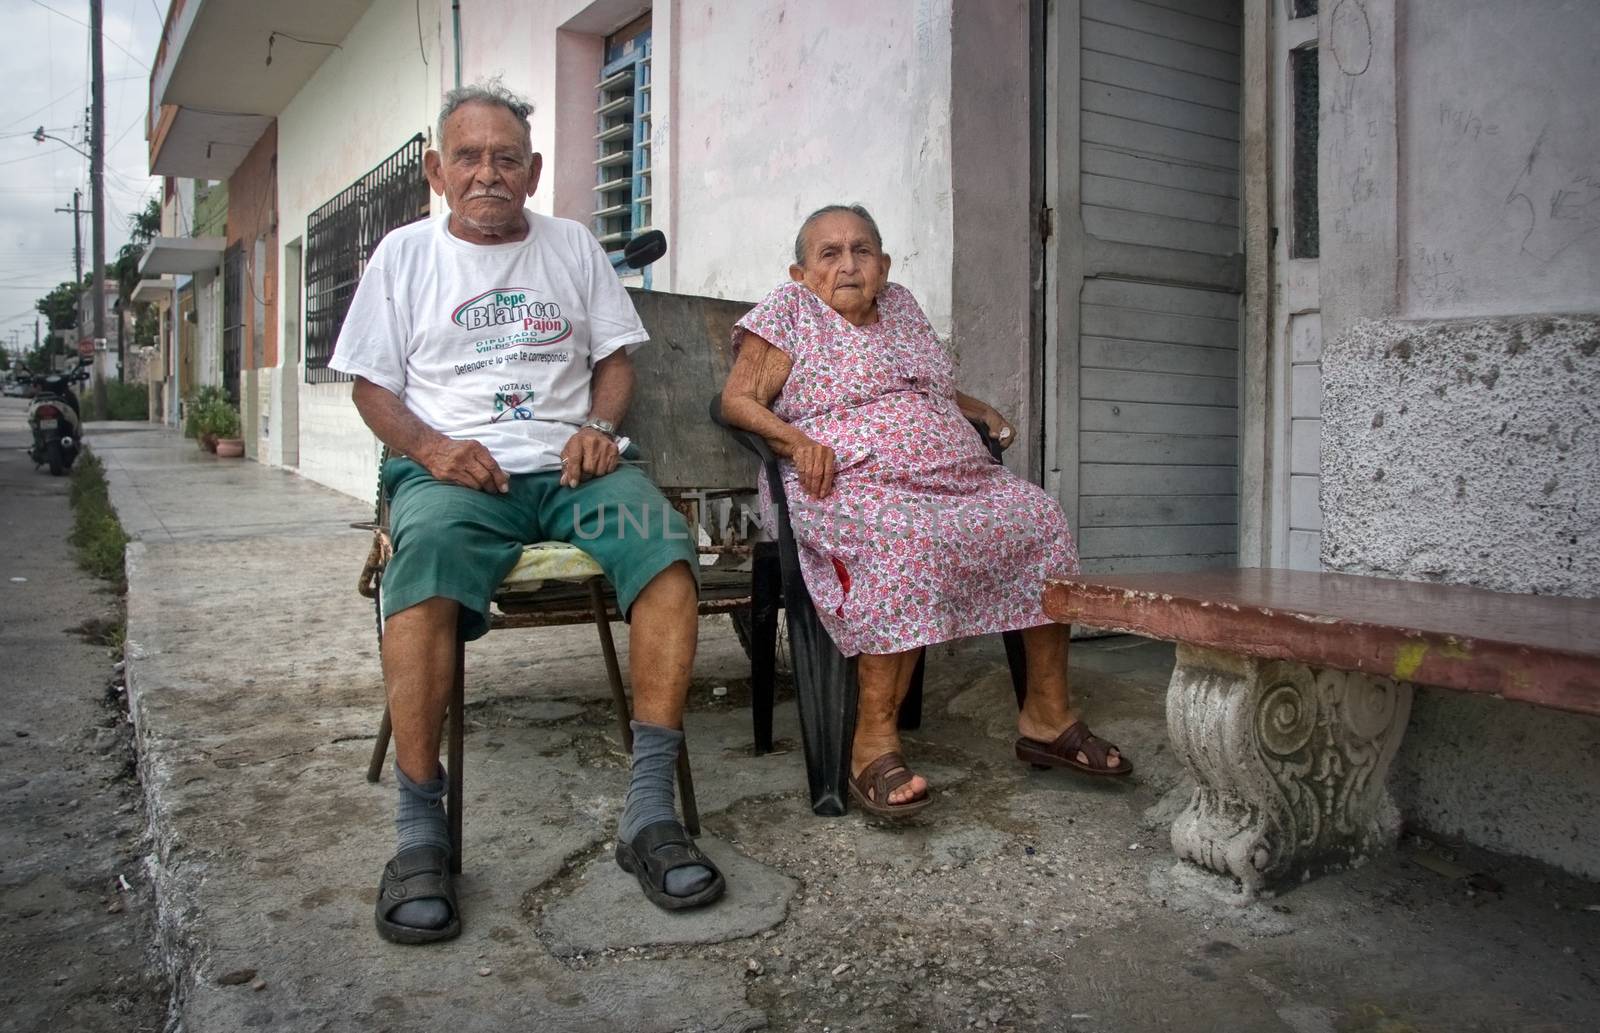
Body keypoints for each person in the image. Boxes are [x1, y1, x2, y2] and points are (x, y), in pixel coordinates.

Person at [331, 80, 723, 944]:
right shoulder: (402, 256)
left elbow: (615, 362)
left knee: (663, 548)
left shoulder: (572, 247)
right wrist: (431, 450)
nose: (488, 173)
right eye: (468, 157)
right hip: (456, 478)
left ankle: (649, 812)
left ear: (534, 170)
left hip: (572, 468)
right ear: (436, 170)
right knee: (424, 564)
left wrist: (596, 424)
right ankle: (420, 833)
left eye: (507, 158)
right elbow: (370, 386)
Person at [719, 204, 1132, 818]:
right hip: (845, 482)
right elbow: (736, 401)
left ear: (884, 265)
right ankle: (871, 743)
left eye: (863, 250)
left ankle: (1046, 717)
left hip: (955, 479)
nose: (849, 264)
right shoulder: (789, 311)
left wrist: (977, 408)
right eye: (829, 254)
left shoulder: (903, 307)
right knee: (906, 542)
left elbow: (917, 383)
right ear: (801, 272)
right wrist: (796, 441)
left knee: (1040, 519)